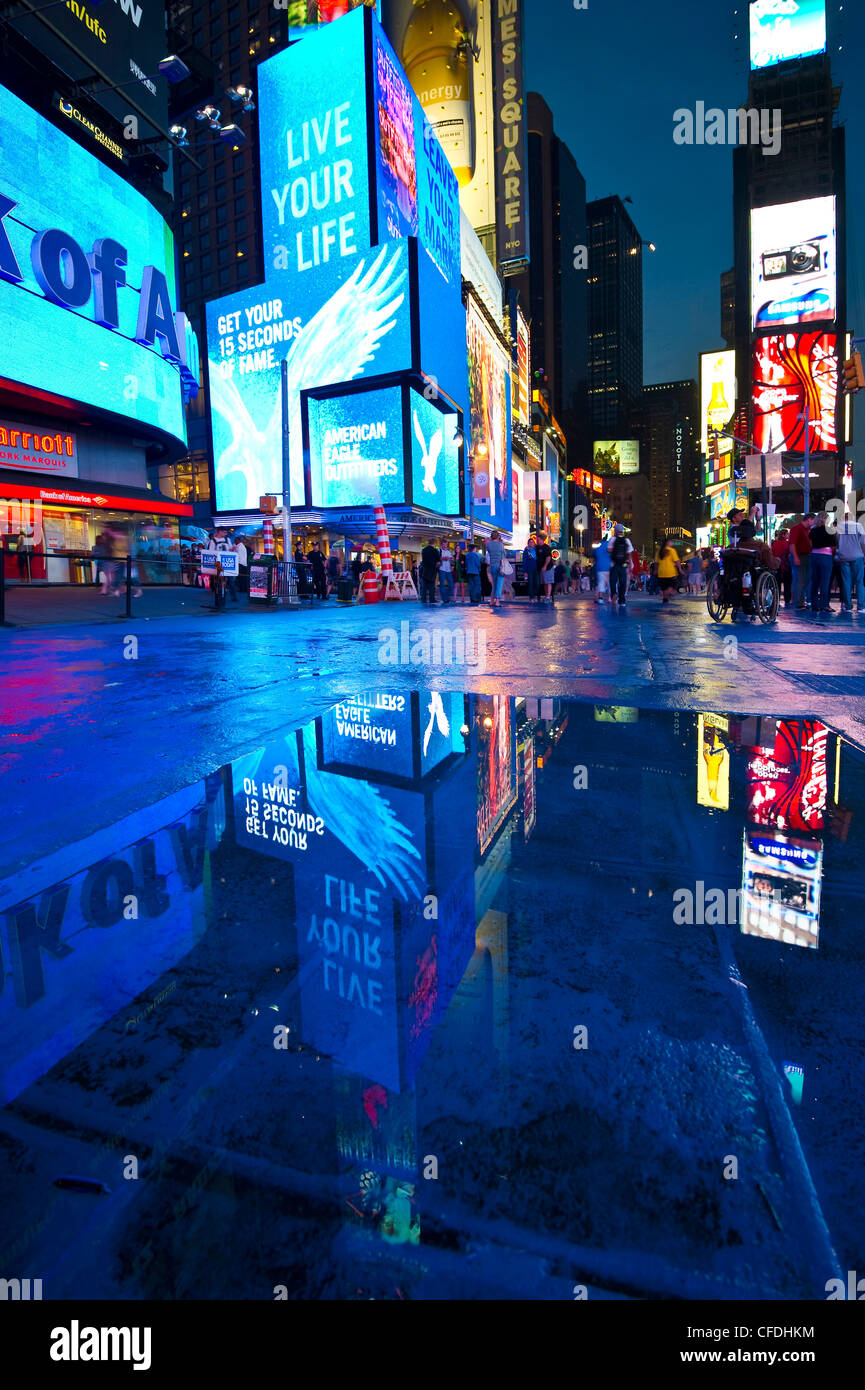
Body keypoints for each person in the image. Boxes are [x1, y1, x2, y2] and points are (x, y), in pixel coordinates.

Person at [836, 510, 865, 613]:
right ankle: (861, 606)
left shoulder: (839, 527)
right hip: (857, 556)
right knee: (859, 581)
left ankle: (847, 606)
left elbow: (837, 541)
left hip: (844, 556)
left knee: (846, 581)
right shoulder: (858, 526)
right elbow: (863, 542)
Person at [808, 511, 836, 614]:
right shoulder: (829, 530)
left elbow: (810, 542)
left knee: (815, 581)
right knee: (825, 581)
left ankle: (814, 604)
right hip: (825, 556)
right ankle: (824, 604)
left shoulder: (813, 530)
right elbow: (834, 543)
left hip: (814, 556)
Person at [788, 513, 815, 610]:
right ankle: (799, 602)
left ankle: (801, 600)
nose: (814, 522)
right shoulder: (797, 529)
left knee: (805, 579)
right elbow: (792, 544)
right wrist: (795, 557)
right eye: (813, 520)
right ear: (808, 519)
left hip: (806, 556)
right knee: (800, 579)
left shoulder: (807, 530)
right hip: (799, 555)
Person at [608, 524, 633, 608]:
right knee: (622, 582)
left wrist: (614, 550)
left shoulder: (613, 539)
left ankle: (614, 594)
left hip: (614, 564)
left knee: (613, 581)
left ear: (615, 531)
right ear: (622, 531)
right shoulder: (627, 540)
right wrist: (630, 565)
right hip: (624, 564)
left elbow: (609, 550)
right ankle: (622, 601)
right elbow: (629, 554)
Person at [212, 528, 239, 602]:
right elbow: (211, 552)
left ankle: (233, 596)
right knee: (220, 580)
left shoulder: (227, 540)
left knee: (231, 580)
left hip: (227, 562)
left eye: (226, 532)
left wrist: (233, 549)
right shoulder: (213, 541)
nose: (225, 533)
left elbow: (230, 549)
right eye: (224, 532)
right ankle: (220, 597)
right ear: (219, 532)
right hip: (218, 563)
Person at [656, 536, 681, 604]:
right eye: (671, 542)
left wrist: (656, 570)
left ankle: (665, 600)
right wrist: (680, 569)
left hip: (661, 573)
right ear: (667, 543)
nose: (672, 543)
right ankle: (668, 593)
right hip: (670, 573)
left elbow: (657, 563)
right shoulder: (672, 550)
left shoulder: (659, 551)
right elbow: (677, 561)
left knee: (664, 588)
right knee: (672, 587)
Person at [771, 528, 792, 607]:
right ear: (784, 535)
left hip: (777, 565)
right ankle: (787, 600)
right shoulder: (788, 544)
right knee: (787, 584)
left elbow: (772, 554)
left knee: (777, 584)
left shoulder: (775, 544)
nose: (789, 535)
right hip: (786, 566)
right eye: (787, 534)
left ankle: (777, 600)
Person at [486, 529, 505, 608]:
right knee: (499, 584)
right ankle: (497, 602)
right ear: (498, 536)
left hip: (492, 566)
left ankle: (491, 601)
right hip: (499, 566)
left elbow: (489, 552)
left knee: (494, 584)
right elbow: (503, 556)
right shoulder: (500, 545)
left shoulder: (489, 545)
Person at [419, 539, 441, 605]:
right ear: (434, 543)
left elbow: (423, 560)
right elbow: (438, 561)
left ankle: (424, 600)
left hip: (424, 570)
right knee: (431, 586)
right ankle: (432, 599)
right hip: (432, 570)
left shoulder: (424, 550)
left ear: (428, 543)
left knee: (424, 587)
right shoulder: (435, 550)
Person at [535, 534, 554, 604]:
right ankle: (546, 596)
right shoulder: (536, 547)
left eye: (538, 539)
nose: (537, 540)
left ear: (542, 540)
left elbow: (548, 557)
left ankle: (548, 597)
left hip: (548, 568)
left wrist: (545, 566)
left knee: (548, 582)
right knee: (544, 582)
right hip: (540, 568)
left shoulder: (546, 548)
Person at [593, 535, 611, 603]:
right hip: (608, 567)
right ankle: (609, 598)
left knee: (601, 582)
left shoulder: (598, 546)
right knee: (609, 583)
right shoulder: (609, 545)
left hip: (599, 567)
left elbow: (594, 555)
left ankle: (600, 598)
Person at [522, 535, 540, 603]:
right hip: (529, 569)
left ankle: (534, 596)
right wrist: (525, 571)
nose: (531, 543)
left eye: (532, 542)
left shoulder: (536, 550)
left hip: (536, 569)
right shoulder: (526, 551)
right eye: (530, 542)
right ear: (528, 543)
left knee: (537, 584)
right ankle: (531, 598)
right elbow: (524, 561)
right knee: (531, 584)